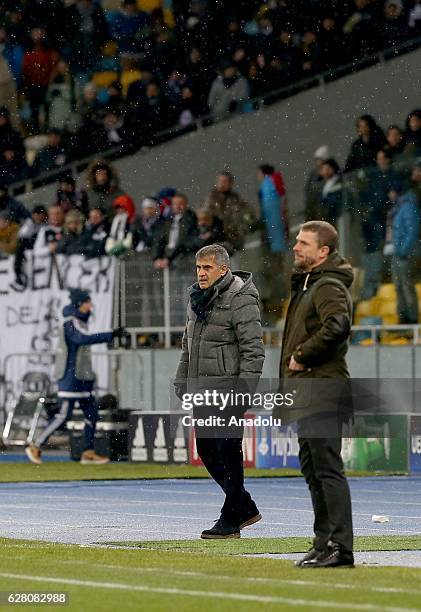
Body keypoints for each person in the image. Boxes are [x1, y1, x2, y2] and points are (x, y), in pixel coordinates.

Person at [175, 244, 264, 538]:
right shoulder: (196, 298)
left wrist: (244, 391)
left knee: (228, 451)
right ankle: (244, 505)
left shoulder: (241, 297)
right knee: (207, 450)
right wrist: (181, 379)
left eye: (207, 268)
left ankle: (230, 517)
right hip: (202, 388)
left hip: (228, 388)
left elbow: (253, 350)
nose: (201, 273)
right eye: (198, 268)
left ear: (223, 269)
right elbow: (189, 344)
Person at [279, 220, 354, 568]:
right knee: (313, 470)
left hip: (322, 388)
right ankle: (324, 543)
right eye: (297, 241)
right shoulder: (309, 284)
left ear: (322, 251)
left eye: (303, 243)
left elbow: (337, 326)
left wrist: (301, 355)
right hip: (308, 391)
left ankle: (340, 546)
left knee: (327, 470)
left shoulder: (326, 285)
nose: (296, 247)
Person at [25, 289, 123, 465]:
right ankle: (35, 445)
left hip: (83, 376)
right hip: (71, 376)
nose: (90, 306)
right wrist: (109, 335)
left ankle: (88, 452)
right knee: (64, 415)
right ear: (79, 304)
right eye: (87, 302)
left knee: (92, 413)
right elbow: (82, 339)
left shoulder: (79, 321)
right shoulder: (71, 323)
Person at [384, 184, 420, 324]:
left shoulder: (409, 207)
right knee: (399, 287)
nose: (389, 195)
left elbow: (412, 232)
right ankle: (403, 320)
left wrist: (403, 251)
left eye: (391, 191)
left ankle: (411, 321)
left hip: (405, 255)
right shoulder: (398, 209)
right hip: (397, 254)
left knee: (406, 287)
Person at [203, 171, 256, 253]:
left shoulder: (236, 199)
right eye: (220, 181)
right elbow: (204, 217)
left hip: (233, 241)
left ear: (231, 183)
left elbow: (249, 216)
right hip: (215, 240)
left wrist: (243, 230)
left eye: (225, 181)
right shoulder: (210, 198)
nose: (222, 184)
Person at [153, 193, 198, 269]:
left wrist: (170, 258)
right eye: (175, 204)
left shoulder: (191, 220)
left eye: (180, 204)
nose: (177, 206)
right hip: (168, 256)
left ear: (186, 205)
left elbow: (187, 241)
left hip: (184, 257)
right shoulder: (168, 220)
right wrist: (157, 257)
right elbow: (160, 239)